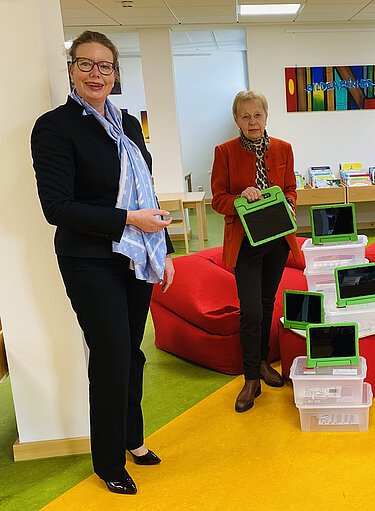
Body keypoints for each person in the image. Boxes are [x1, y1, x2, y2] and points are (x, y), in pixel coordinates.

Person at [31, 31, 175, 494]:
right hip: (90, 258)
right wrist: (129, 219)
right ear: (71, 69)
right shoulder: (54, 127)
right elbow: (57, 207)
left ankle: (132, 438)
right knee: (111, 355)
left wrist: (165, 249)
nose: (96, 73)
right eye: (86, 64)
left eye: (105, 66)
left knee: (132, 352)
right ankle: (108, 461)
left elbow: (146, 189)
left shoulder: (128, 125)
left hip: (136, 255)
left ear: (116, 75)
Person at [211, 90, 302, 413]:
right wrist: (239, 196)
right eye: (245, 116)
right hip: (246, 241)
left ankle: (262, 362)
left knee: (266, 304)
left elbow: (292, 189)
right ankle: (250, 378)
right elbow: (218, 199)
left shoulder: (283, 149)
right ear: (237, 120)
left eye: (257, 115)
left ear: (266, 116)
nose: (253, 122)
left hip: (277, 238)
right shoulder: (224, 152)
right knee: (250, 310)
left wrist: (288, 201)